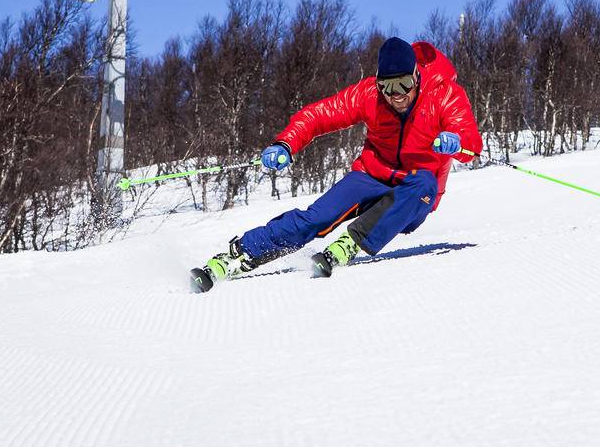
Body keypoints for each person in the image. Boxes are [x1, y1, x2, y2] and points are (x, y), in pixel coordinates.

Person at [198, 37, 482, 286]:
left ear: (416, 76)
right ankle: (240, 254)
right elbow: (319, 115)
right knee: (317, 217)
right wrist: (285, 143)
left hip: (414, 193)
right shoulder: (369, 95)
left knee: (424, 181)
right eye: (387, 87)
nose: (396, 96)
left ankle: (352, 242)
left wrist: (456, 143)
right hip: (371, 176)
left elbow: (471, 144)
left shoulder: (444, 95)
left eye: (403, 85)